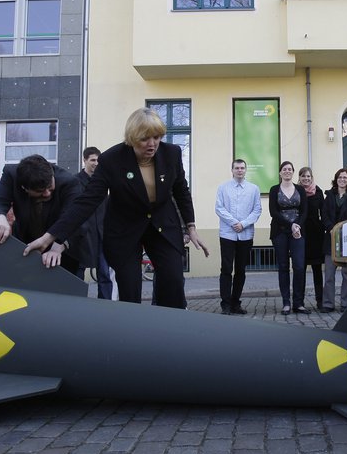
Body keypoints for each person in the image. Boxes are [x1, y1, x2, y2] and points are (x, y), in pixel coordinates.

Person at [23, 107, 209, 309]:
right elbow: (87, 201)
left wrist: (191, 226)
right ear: (132, 137)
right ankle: (131, 332)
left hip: (162, 225)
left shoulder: (171, 153)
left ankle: (172, 329)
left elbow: (181, 190)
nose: (152, 144)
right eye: (145, 138)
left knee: (173, 280)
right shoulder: (112, 160)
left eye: (157, 137)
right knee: (129, 289)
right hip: (125, 229)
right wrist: (50, 237)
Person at [0, 154, 85, 274]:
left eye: (50, 187)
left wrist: (58, 245)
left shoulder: (70, 182)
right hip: (25, 249)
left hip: (63, 255)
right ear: (24, 187)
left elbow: (76, 218)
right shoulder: (11, 174)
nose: (47, 193)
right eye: (40, 191)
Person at [214, 159, 262, 315]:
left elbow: (257, 210)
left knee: (241, 270)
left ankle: (236, 303)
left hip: (246, 235)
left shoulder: (253, 189)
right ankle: (225, 304)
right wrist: (234, 222)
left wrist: (243, 224)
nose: (240, 170)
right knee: (226, 269)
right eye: (237, 168)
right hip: (227, 234)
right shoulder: (223, 188)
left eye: (242, 168)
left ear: (246, 170)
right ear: (232, 170)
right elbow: (219, 208)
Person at [268, 161, 309, 316]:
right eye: (284, 169)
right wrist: (290, 225)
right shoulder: (274, 190)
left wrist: (296, 225)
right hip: (280, 232)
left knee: (299, 266)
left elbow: (304, 211)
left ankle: (298, 303)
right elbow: (273, 212)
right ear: (280, 173)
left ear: (293, 172)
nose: (287, 171)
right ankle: (286, 303)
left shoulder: (300, 189)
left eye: (289, 169)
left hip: (298, 232)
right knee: (283, 267)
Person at [320, 168, 347, 312]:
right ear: (336, 179)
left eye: (345, 177)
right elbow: (324, 214)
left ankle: (345, 303)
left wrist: (341, 229)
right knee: (329, 275)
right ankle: (328, 304)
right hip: (330, 239)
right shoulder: (329, 195)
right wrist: (331, 228)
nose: (342, 180)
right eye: (340, 177)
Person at [75, 147, 114, 300]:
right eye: (92, 160)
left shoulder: (104, 181)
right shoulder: (75, 181)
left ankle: (105, 308)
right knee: (78, 274)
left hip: (102, 234)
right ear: (84, 160)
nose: (96, 163)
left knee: (104, 273)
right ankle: (76, 305)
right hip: (82, 235)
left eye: (98, 160)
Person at [298, 166, 325, 309]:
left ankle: (320, 300)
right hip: (301, 233)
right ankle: (299, 301)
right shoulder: (296, 191)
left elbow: (324, 211)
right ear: (300, 178)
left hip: (315, 233)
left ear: (311, 178)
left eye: (308, 176)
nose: (306, 179)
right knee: (300, 269)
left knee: (317, 269)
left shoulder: (318, 192)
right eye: (303, 176)